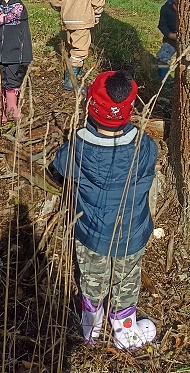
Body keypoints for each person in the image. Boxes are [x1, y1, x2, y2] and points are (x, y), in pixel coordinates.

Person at [49, 70, 157, 349]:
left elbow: (57, 168)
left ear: (90, 105)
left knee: (92, 276)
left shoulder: (78, 147)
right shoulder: (144, 145)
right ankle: (124, 329)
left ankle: (91, 326)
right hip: (131, 232)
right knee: (127, 279)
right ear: (130, 109)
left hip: (92, 234)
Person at [49, 0, 105, 90]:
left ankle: (76, 70)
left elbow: (55, 0)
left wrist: (63, 10)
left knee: (73, 44)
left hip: (68, 20)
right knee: (80, 50)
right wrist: (97, 14)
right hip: (83, 19)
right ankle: (70, 81)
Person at [156, 0, 177, 83]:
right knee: (162, 58)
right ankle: (164, 82)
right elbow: (162, 25)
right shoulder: (166, 8)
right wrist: (170, 34)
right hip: (171, 40)